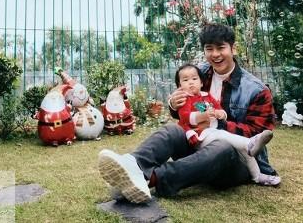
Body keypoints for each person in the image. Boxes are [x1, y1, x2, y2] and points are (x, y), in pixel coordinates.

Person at [97, 23, 280, 203]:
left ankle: (151, 180)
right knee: (172, 130)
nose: (215, 54)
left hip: (239, 160)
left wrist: (217, 123)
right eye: (209, 49)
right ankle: (133, 165)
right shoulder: (199, 73)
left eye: (221, 48)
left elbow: (258, 134)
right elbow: (183, 112)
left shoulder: (257, 90)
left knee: (222, 147)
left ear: (234, 49)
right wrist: (174, 104)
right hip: (199, 144)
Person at [174, 63, 280, 186]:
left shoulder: (206, 96)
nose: (191, 82)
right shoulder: (184, 99)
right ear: (179, 86)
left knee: (244, 151)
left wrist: (221, 114)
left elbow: (218, 108)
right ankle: (249, 143)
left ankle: (258, 176)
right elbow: (186, 117)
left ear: (202, 83)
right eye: (185, 80)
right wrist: (202, 115)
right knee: (222, 135)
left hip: (213, 130)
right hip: (199, 135)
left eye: (194, 79)